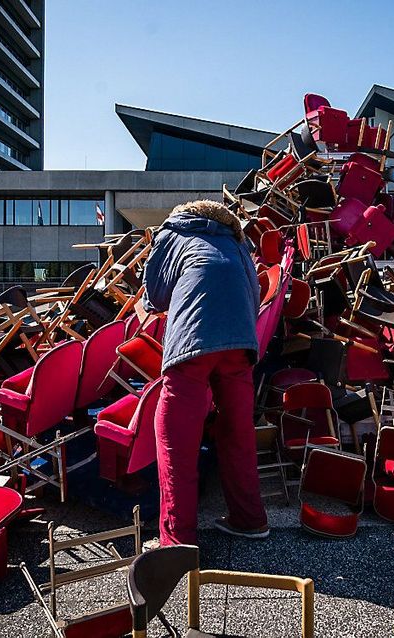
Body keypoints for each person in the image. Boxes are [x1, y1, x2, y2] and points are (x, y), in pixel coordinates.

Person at [142, 199, 269, 546]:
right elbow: (255, 293)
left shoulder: (173, 233)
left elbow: (154, 296)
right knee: (238, 432)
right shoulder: (236, 241)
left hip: (193, 342)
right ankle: (250, 520)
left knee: (175, 439)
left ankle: (177, 540)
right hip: (240, 342)